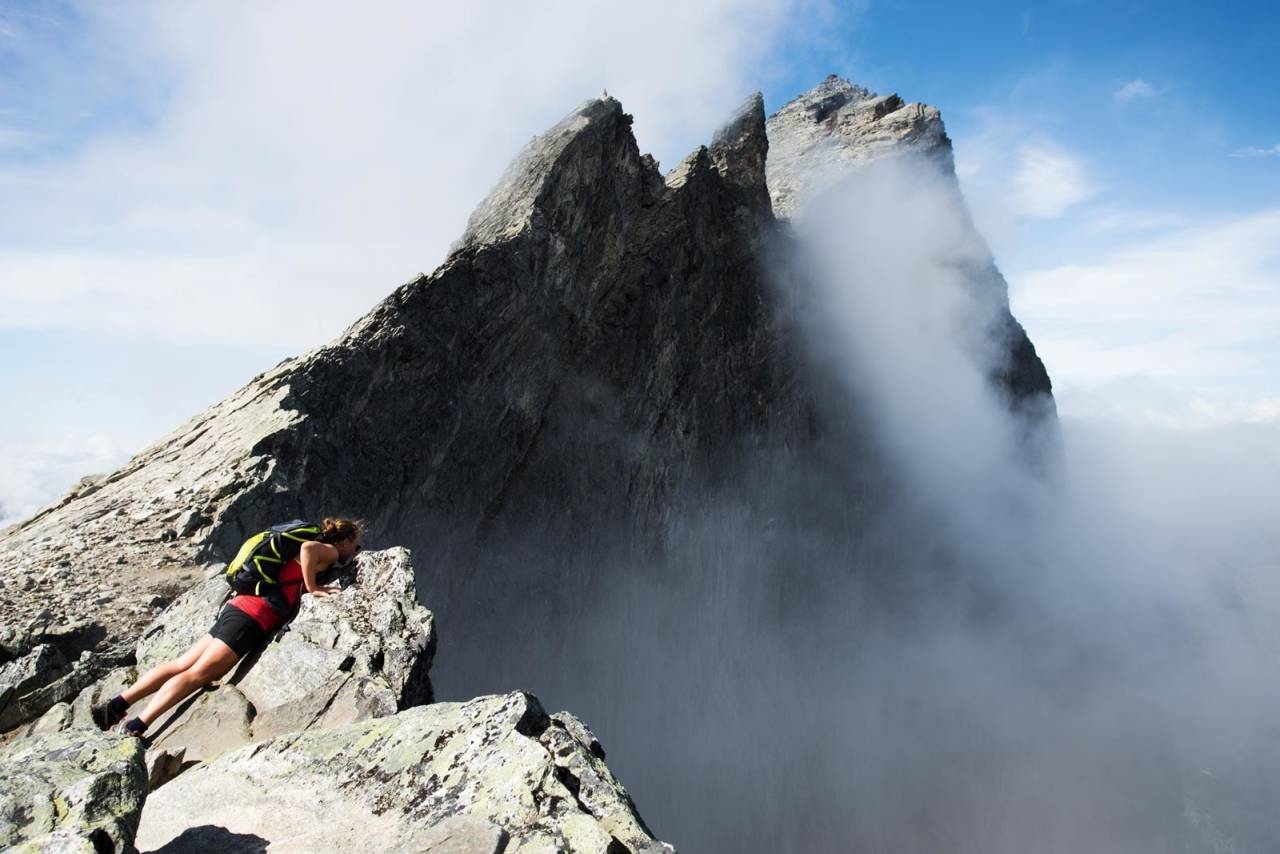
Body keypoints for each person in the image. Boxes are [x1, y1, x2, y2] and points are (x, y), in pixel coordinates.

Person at [92, 517, 363, 738]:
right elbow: (308, 551)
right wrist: (313, 587)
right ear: (345, 540)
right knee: (199, 674)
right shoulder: (326, 548)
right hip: (255, 615)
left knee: (181, 664)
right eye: (356, 546)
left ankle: (116, 706)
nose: (355, 552)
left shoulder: (304, 541)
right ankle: (136, 725)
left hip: (239, 605)